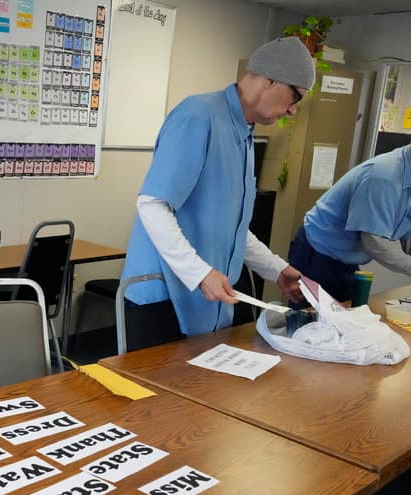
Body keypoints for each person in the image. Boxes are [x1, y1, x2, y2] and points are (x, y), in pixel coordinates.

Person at [121, 37, 313, 336]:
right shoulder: (198, 116)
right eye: (295, 97)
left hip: (205, 296)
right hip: (164, 298)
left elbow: (231, 228)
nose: (292, 111)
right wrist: (200, 273)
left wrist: (276, 269)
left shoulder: (245, 135)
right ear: (270, 80)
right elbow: (153, 204)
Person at [288, 117, 411, 303]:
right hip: (318, 252)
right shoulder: (384, 176)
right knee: (310, 324)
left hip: (343, 258)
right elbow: (373, 241)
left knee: (346, 318)